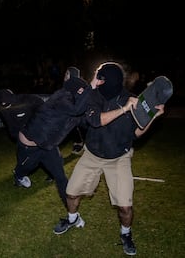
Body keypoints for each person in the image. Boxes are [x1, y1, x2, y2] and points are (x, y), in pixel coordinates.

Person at [53, 62, 165, 256]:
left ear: (110, 80)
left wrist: (152, 116)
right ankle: (72, 219)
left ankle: (126, 234)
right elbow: (96, 120)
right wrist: (123, 109)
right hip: (92, 154)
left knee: (125, 206)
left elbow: (137, 132)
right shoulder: (93, 96)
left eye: (100, 77)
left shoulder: (131, 99)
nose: (98, 80)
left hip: (119, 157)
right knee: (71, 194)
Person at [12, 76, 94, 211]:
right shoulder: (60, 99)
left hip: (48, 146)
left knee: (60, 176)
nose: (83, 93)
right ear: (73, 90)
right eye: (81, 90)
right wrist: (92, 86)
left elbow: (85, 121)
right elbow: (75, 110)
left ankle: (72, 215)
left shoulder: (75, 107)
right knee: (25, 168)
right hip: (30, 146)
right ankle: (18, 175)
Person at [64, 66, 87, 155]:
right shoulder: (69, 84)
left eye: (67, 73)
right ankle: (79, 142)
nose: (65, 75)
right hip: (76, 111)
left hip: (85, 111)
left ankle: (81, 143)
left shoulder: (77, 83)